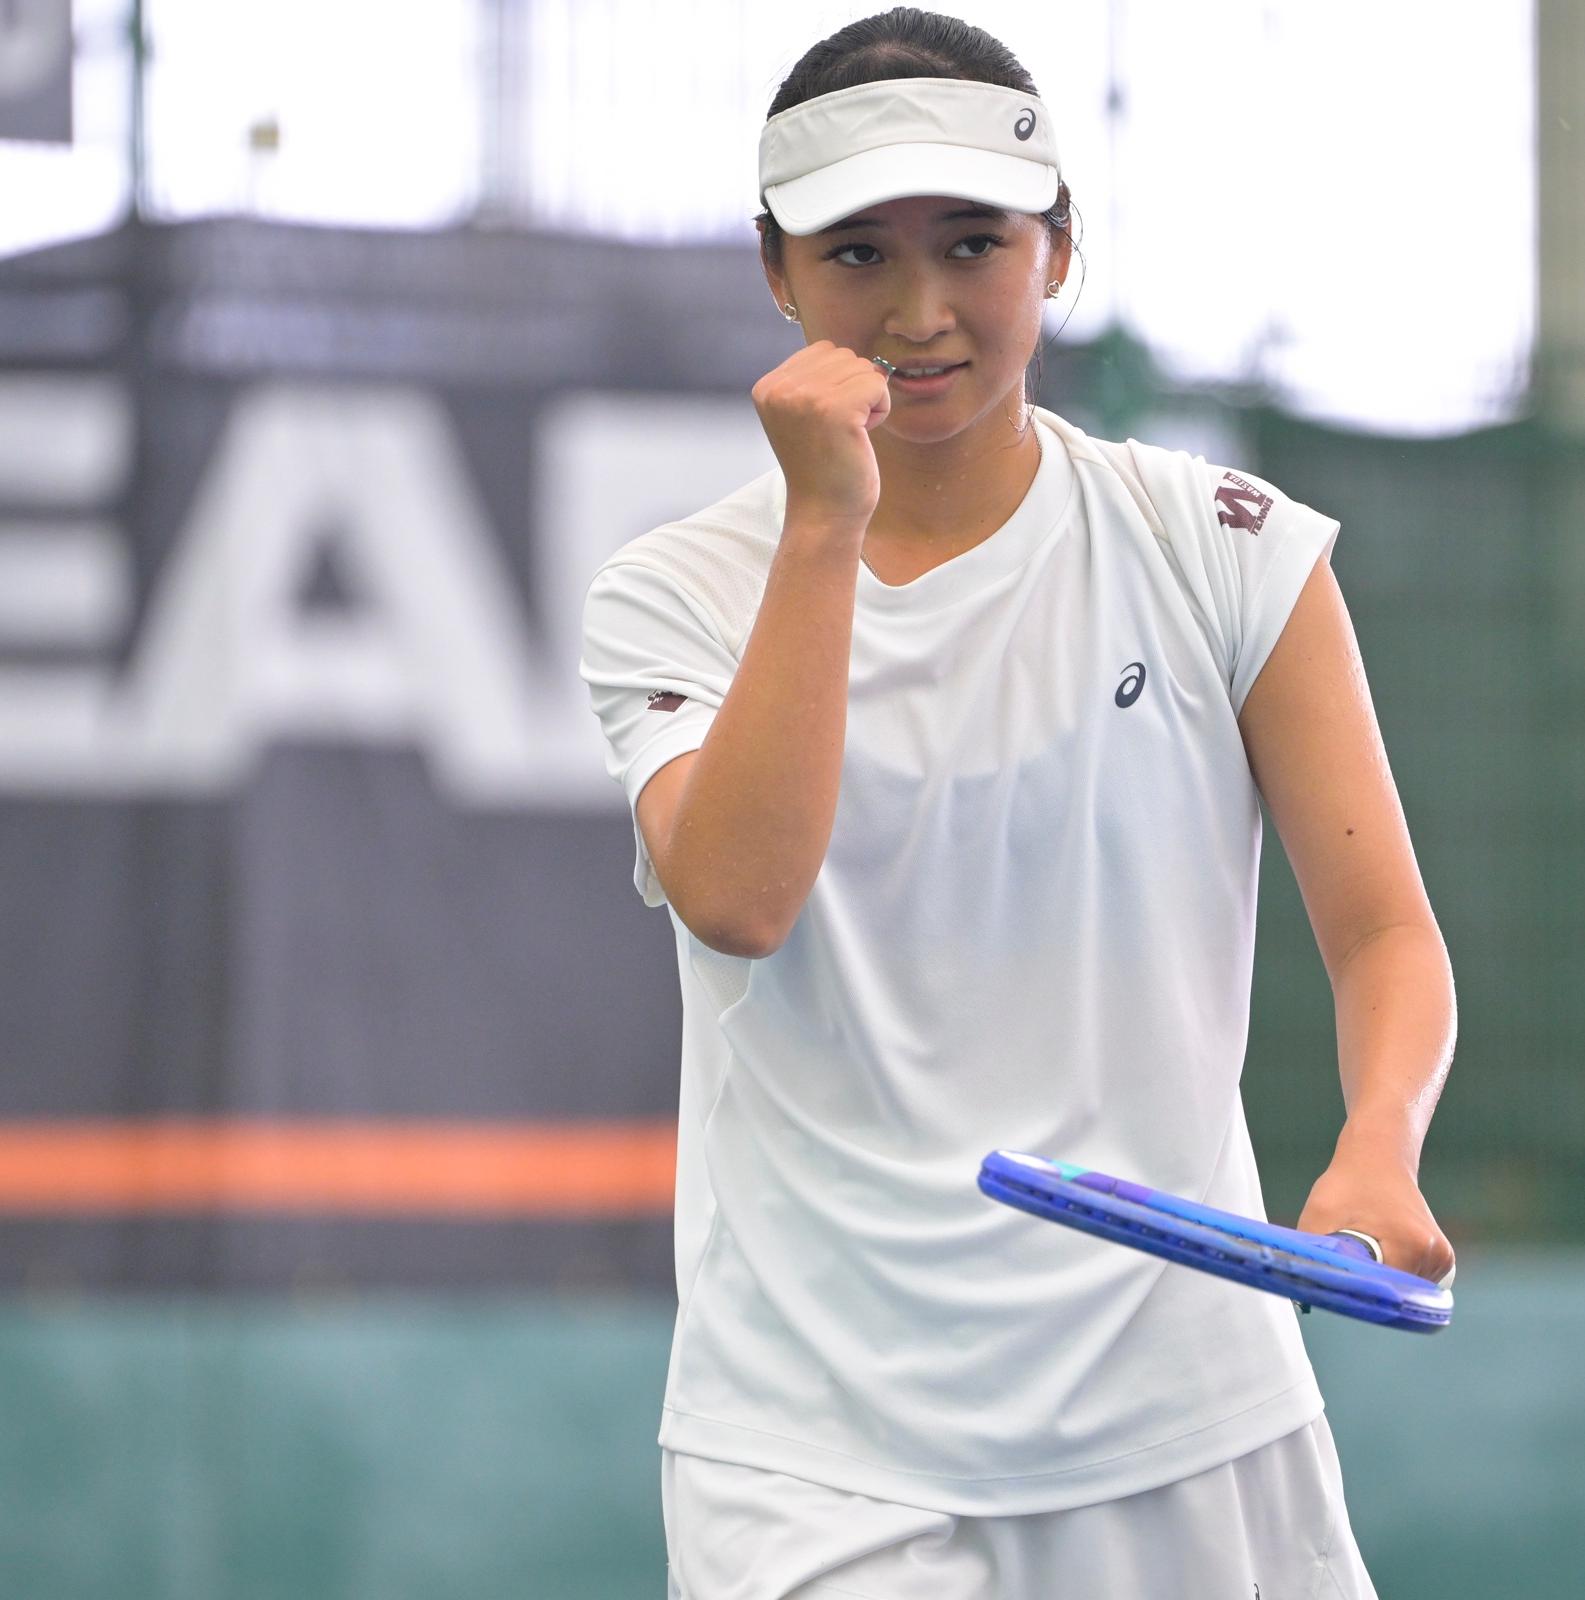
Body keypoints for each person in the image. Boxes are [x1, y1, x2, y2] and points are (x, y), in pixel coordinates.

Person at [580, 10, 1455, 1597]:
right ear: (776, 272)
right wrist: (823, 527)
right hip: (813, 1451)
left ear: (1057, 251)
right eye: (857, 253)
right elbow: (740, 898)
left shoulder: (1230, 548)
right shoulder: (672, 594)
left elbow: (1383, 931)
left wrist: (1378, 1145)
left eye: (972, 243)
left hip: (1191, 1415)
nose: (918, 311)